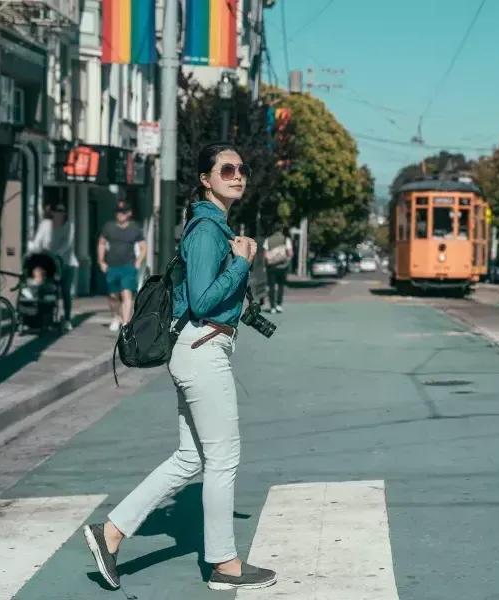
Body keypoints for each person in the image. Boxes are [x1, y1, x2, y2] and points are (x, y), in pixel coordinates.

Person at [82, 142, 277, 592]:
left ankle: (109, 534)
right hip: (203, 350)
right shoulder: (206, 230)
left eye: (242, 168)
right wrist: (243, 263)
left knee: (191, 457)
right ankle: (224, 564)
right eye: (226, 169)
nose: (237, 175)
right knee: (223, 459)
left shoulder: (214, 225)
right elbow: (206, 298)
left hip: (197, 349)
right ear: (206, 179)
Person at [27, 201, 78, 330]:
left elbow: (67, 244)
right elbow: (38, 241)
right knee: (46, 288)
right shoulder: (45, 224)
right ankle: (44, 317)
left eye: (61, 212)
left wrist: (56, 254)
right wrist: (33, 249)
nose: (59, 215)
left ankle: (67, 319)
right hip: (49, 261)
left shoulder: (69, 226)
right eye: (57, 212)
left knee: (65, 291)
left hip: (66, 263)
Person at [97, 200, 147, 332]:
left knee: (126, 294)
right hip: (112, 266)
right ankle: (115, 317)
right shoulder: (109, 227)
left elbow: (143, 247)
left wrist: (138, 262)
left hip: (128, 266)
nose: (120, 215)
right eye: (118, 212)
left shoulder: (135, 228)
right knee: (113, 295)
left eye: (123, 212)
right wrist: (101, 261)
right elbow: (101, 243)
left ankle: (125, 322)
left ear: (129, 213)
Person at [262, 227, 293, 313]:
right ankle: (279, 305)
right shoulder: (286, 239)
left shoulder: (268, 240)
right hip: (282, 267)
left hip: (271, 267)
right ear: (281, 231)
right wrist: (286, 259)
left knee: (271, 286)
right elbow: (290, 253)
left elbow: (265, 255)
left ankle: (272, 307)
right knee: (281, 286)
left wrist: (265, 265)